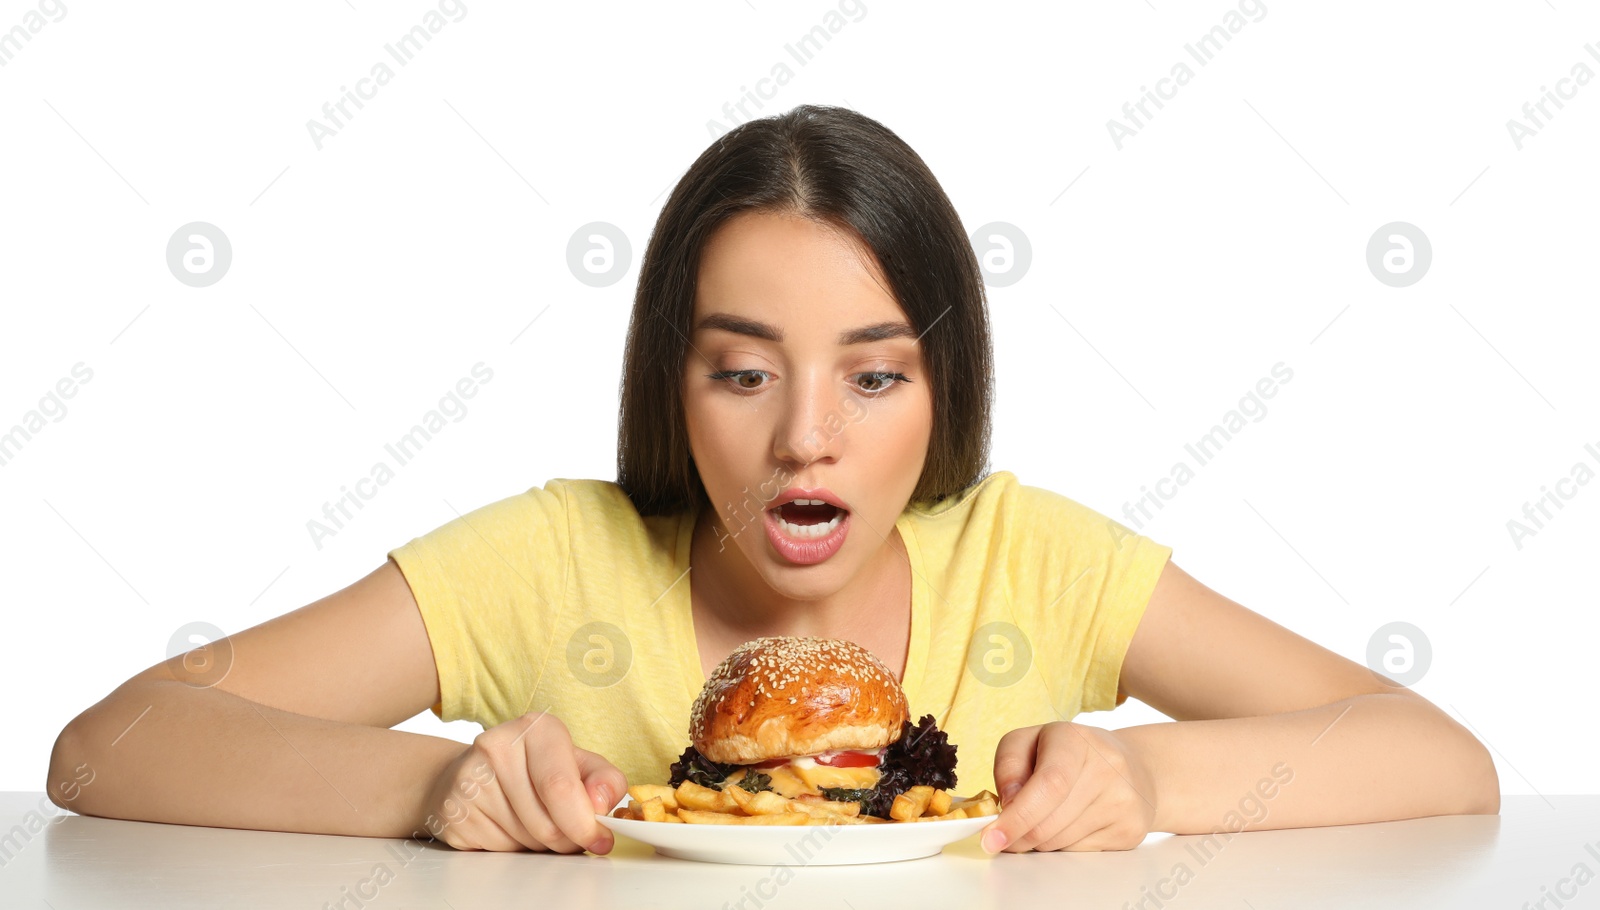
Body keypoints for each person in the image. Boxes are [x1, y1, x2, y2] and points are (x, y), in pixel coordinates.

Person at [46, 104, 1499, 857]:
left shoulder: (1030, 561)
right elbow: (109, 748)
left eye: (875, 375)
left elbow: (1441, 755)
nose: (809, 437)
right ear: (671, 385)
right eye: (743, 372)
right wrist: (439, 784)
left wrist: (1143, 771)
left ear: (944, 389)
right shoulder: (552, 562)